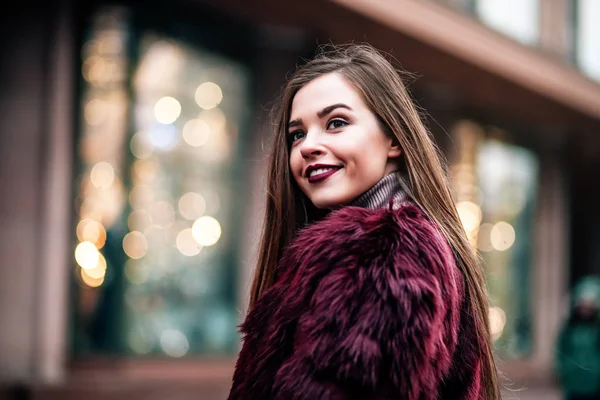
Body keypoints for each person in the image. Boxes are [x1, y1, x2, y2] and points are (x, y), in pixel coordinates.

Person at [227, 43, 500, 400]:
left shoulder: (386, 250)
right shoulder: (395, 245)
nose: (309, 145)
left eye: (336, 123)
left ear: (393, 140)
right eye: (298, 134)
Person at [555, 276, 600, 400]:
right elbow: (561, 352)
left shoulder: (596, 329)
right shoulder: (569, 329)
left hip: (595, 386)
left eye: (589, 304)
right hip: (573, 385)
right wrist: (565, 371)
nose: (586, 308)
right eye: (583, 303)